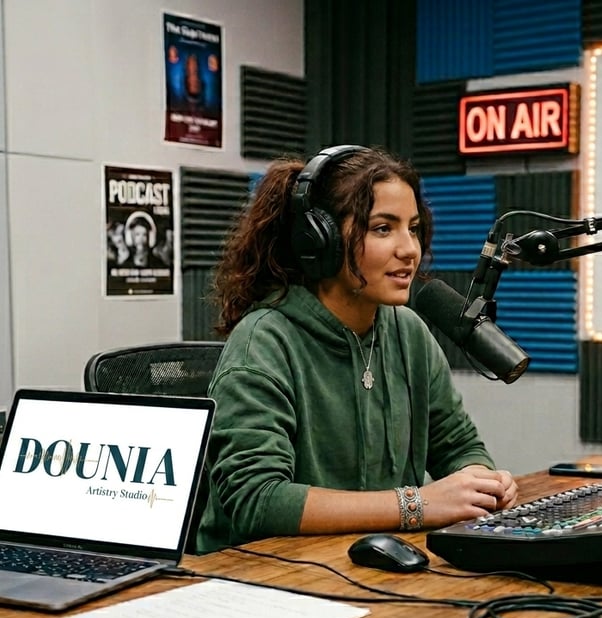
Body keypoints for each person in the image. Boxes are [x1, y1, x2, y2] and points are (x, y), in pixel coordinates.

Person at [196, 145, 518, 553]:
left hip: (365, 568)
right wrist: (416, 505)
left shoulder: (409, 333)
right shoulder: (264, 343)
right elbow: (257, 500)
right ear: (321, 240)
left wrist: (479, 482)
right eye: (383, 228)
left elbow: (456, 445)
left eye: (413, 228)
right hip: (259, 581)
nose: (409, 250)